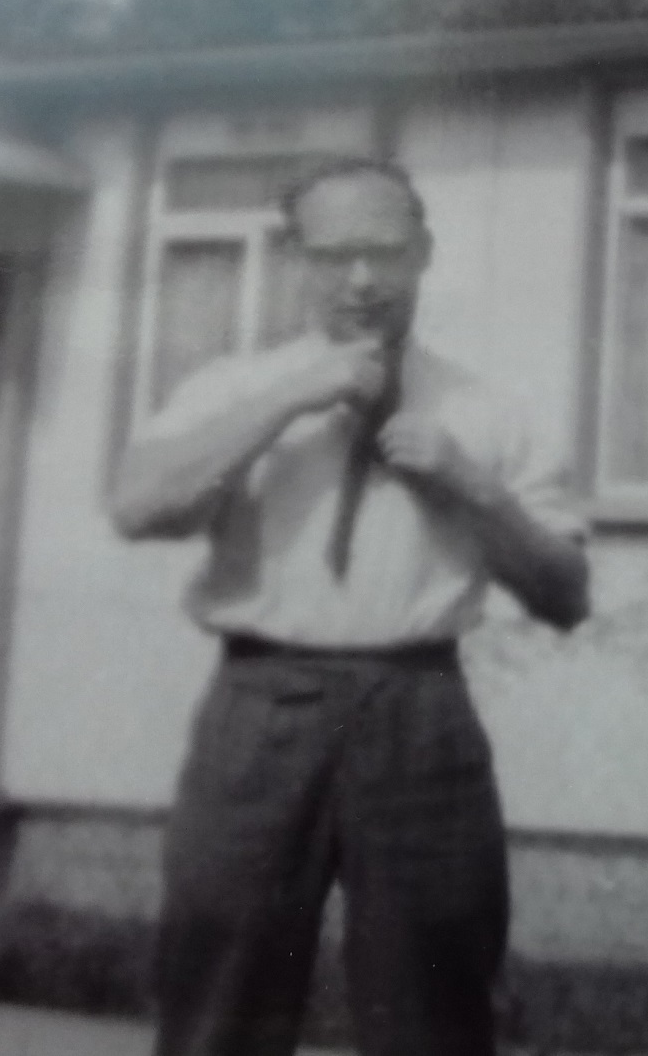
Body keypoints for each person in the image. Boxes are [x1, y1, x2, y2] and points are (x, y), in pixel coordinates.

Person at [111, 157, 590, 1056]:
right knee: (220, 987)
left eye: (385, 252)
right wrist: (289, 398)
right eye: (335, 256)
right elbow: (140, 507)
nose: (362, 280)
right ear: (296, 259)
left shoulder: (486, 408)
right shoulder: (233, 389)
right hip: (261, 704)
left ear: (424, 255)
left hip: (419, 709)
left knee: (435, 1006)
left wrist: (469, 486)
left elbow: (566, 593)